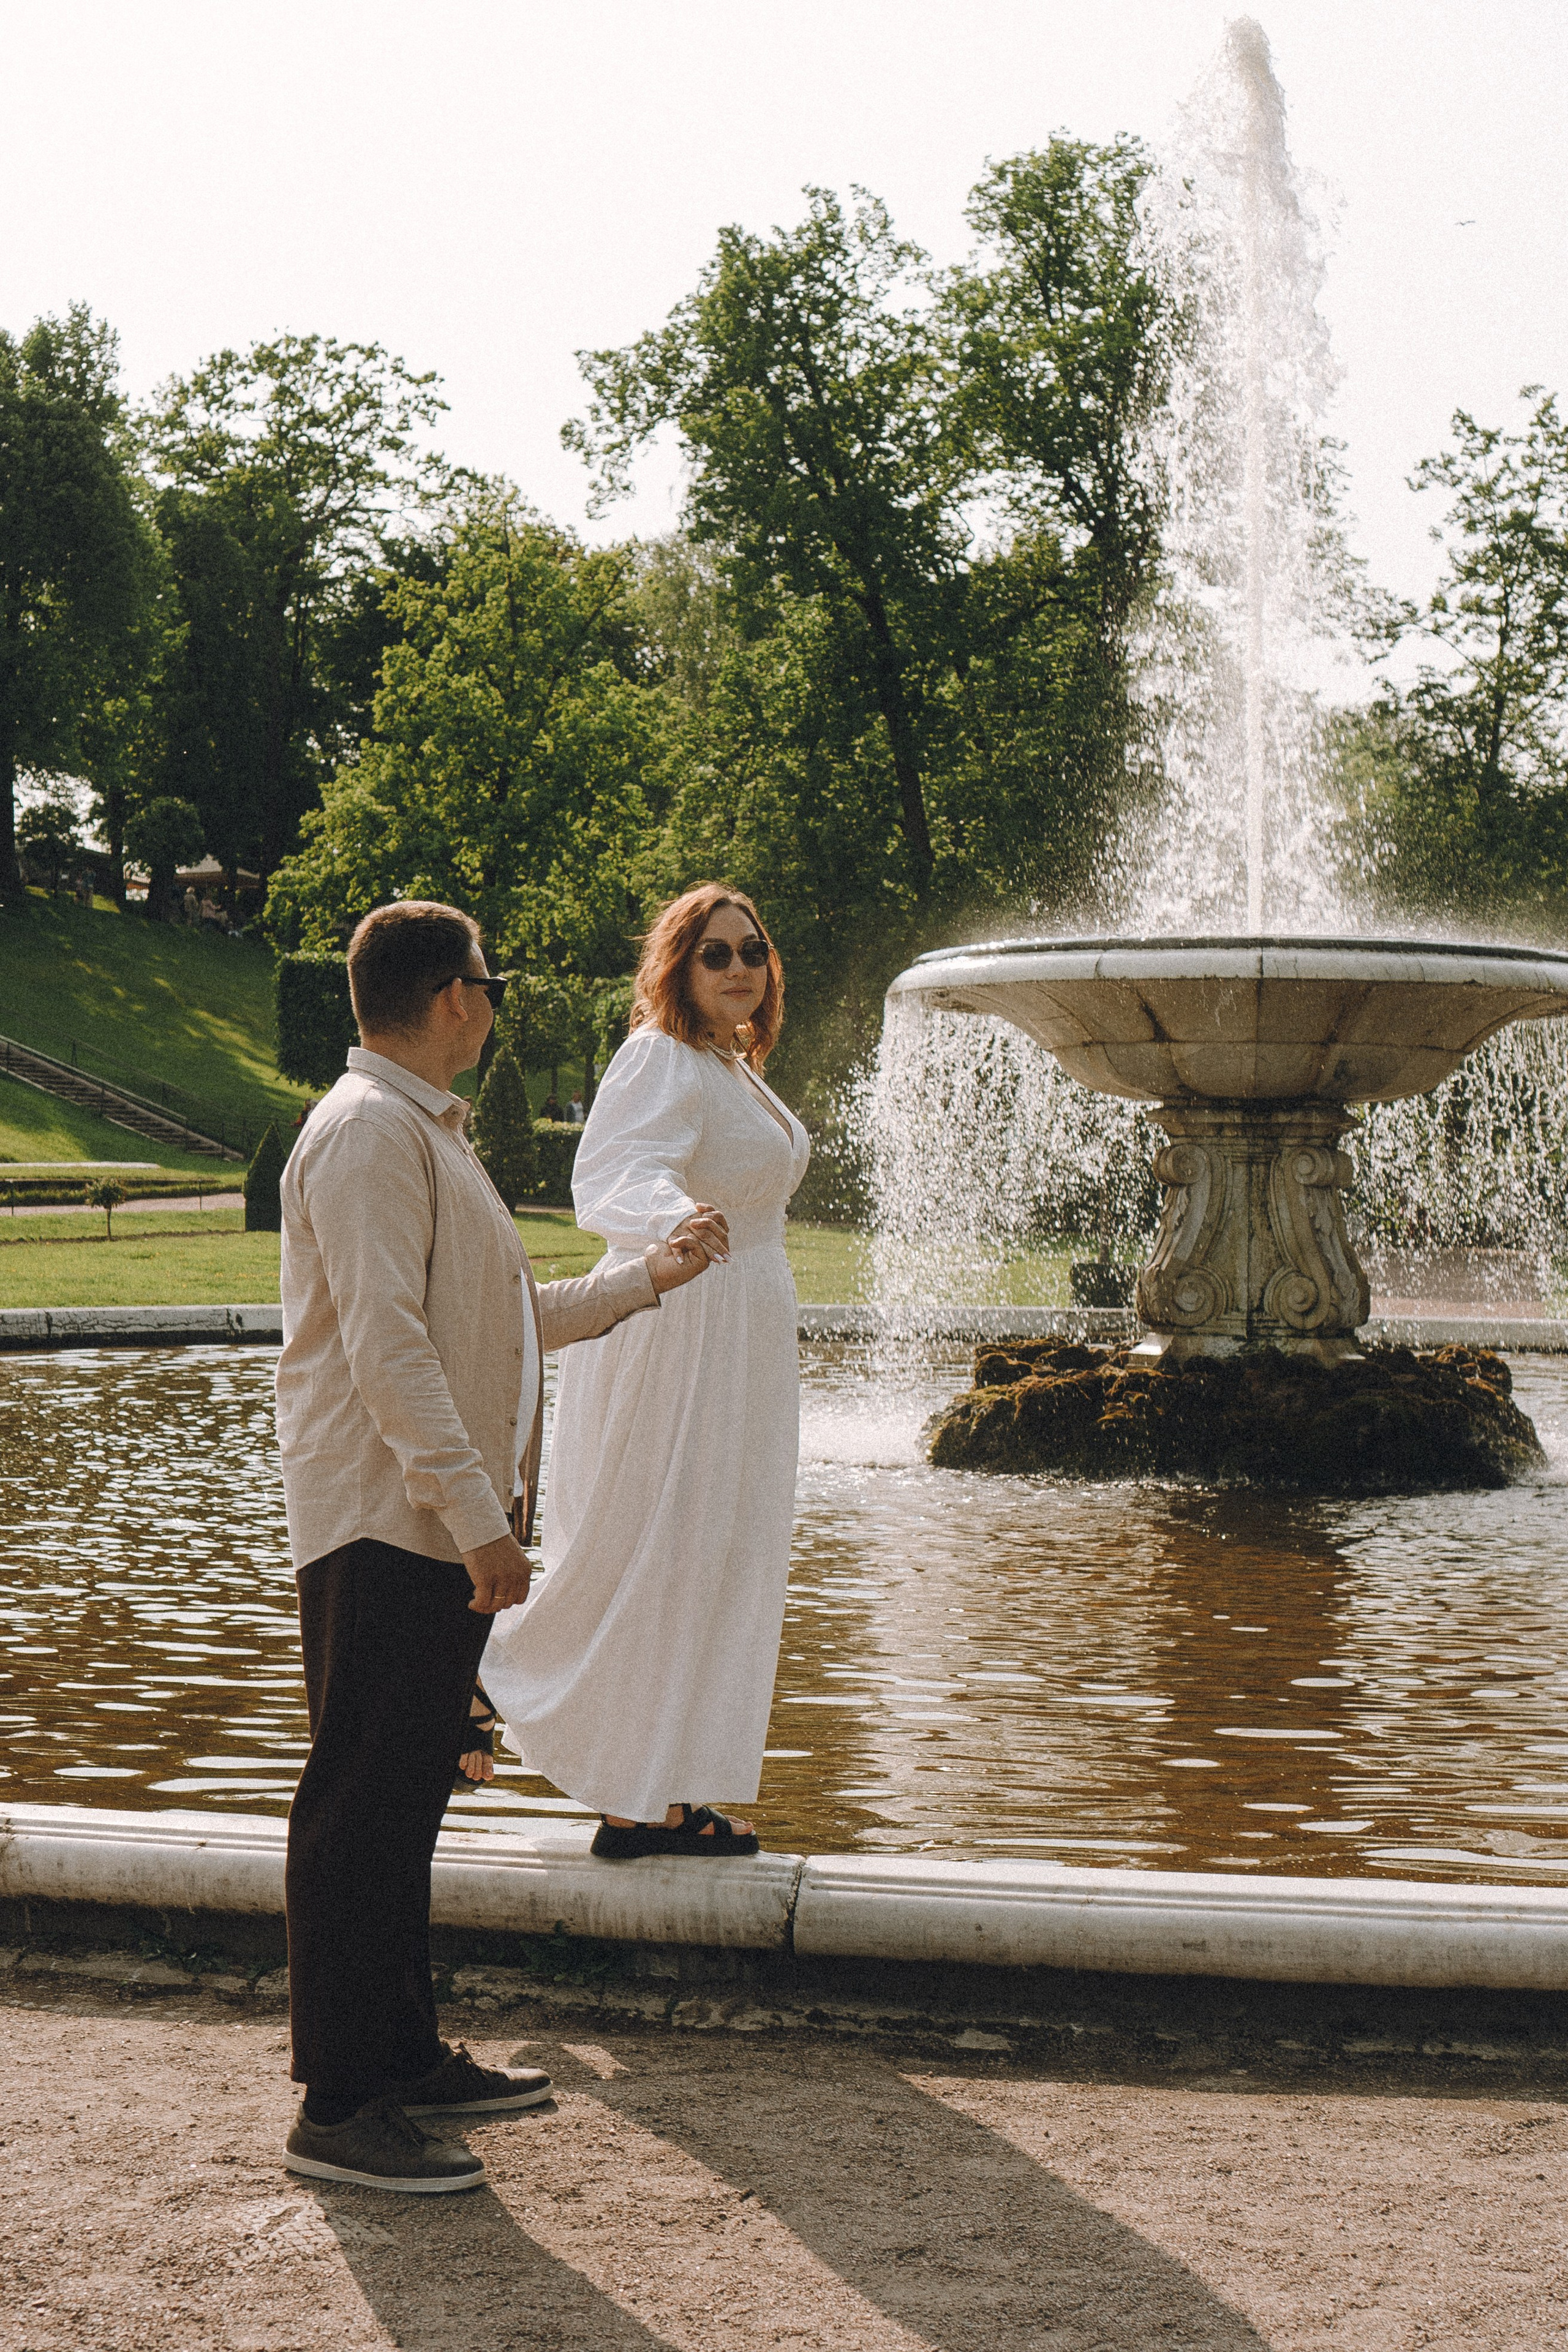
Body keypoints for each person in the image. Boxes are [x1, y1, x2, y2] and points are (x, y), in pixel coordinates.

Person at [274, 899, 716, 2195]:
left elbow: (498, 1320)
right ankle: (341, 2103)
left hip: (422, 1521)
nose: (495, 999)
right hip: (388, 1522)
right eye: (492, 978)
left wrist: (647, 1279)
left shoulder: (418, 1133)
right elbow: (386, 1347)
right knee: (360, 1806)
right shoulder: (366, 1136)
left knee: (404, 1801)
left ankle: (399, 2055)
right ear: (452, 996)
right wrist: (477, 1520)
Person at [482, 883, 809, 1858]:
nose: (740, 967)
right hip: (683, 1323)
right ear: (678, 965)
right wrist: (673, 1217)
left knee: (721, 1546)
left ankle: (657, 1791)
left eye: (752, 949)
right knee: (657, 1543)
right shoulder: (661, 1053)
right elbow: (614, 1170)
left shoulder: (731, 1064)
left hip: (741, 1326)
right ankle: (491, 1673)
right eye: (716, 953)